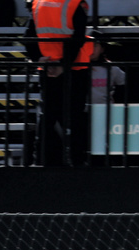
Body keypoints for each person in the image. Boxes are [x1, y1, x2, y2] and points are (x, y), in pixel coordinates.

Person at [25, 0, 91, 166]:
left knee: (47, 116)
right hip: (75, 68)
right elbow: (78, 38)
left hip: (47, 69)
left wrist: (39, 60)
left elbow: (28, 35)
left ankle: (41, 160)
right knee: (75, 117)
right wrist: (63, 64)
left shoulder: (38, 4)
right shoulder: (74, 4)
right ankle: (77, 160)